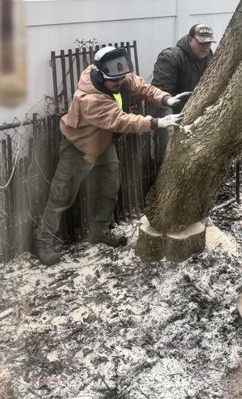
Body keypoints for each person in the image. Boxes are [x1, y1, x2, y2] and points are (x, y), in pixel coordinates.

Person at [34, 46, 186, 267]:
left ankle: (99, 231)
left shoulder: (119, 76)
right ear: (99, 74)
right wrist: (157, 123)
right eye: (114, 80)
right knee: (61, 197)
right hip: (79, 147)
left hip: (103, 142)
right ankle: (43, 241)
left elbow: (142, 87)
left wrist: (166, 100)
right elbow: (121, 120)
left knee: (109, 186)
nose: (119, 83)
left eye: (121, 78)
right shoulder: (88, 97)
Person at [151, 23, 216, 104]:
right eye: (201, 42)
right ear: (190, 40)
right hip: (174, 109)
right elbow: (160, 93)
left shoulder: (208, 54)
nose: (206, 47)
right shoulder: (170, 57)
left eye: (209, 43)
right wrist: (170, 116)